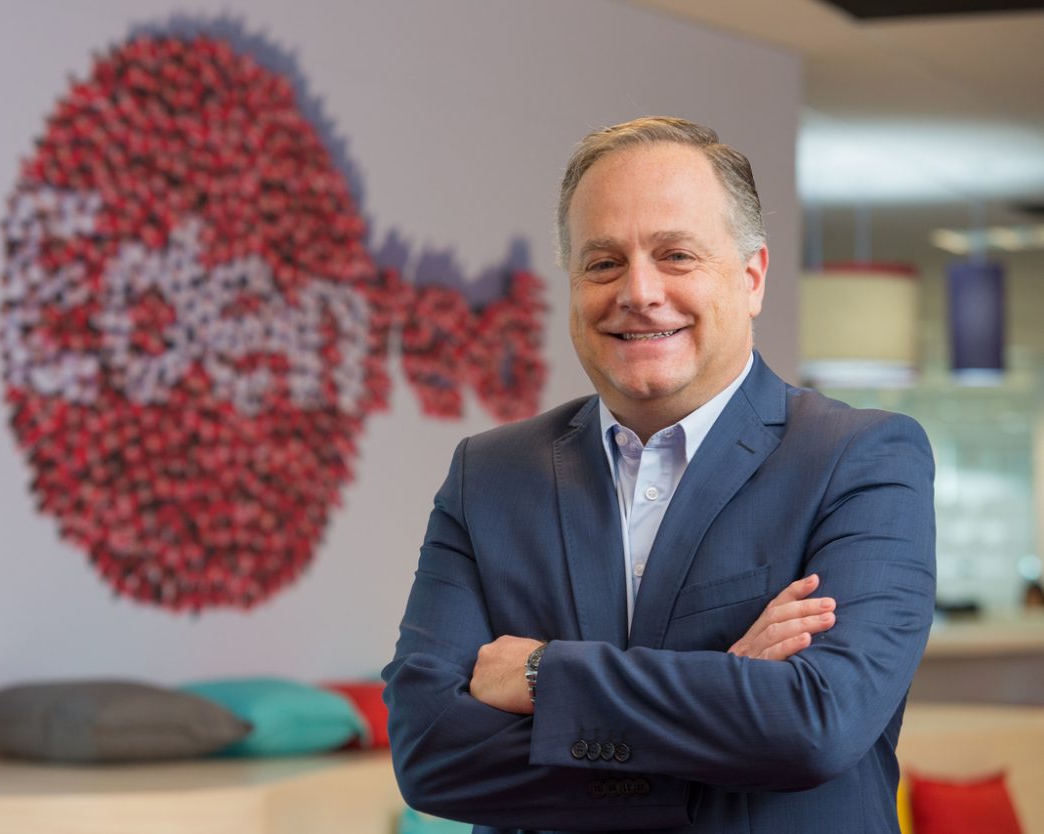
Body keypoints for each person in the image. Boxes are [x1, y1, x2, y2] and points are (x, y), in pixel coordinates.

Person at [383, 116, 936, 834]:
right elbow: (430, 753)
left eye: (676, 255)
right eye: (603, 263)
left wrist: (544, 675)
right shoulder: (487, 477)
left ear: (751, 277)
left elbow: (816, 723)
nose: (639, 292)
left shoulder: (861, 459)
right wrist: (729, 699)